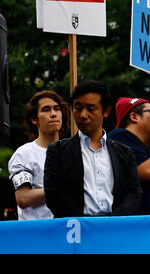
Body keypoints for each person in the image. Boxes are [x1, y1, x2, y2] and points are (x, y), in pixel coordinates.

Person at [44, 80, 142, 217]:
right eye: (78, 108)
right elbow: (54, 194)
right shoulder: (58, 151)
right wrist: (86, 223)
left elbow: (134, 193)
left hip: (115, 231)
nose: (83, 115)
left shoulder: (124, 152)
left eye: (90, 109)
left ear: (106, 111)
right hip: (75, 232)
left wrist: (113, 221)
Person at [8, 91, 69, 220]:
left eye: (57, 109)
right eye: (46, 110)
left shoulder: (74, 152)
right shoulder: (24, 154)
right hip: (36, 234)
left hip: (69, 232)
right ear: (34, 119)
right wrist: (59, 189)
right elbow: (23, 198)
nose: (53, 114)